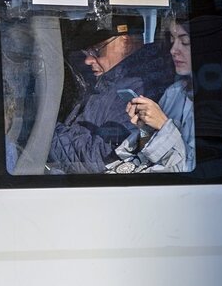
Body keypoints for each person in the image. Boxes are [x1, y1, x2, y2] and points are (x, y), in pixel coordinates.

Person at [48, 14, 175, 174]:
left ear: (126, 44)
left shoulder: (142, 90)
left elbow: (98, 159)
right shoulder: (108, 81)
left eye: (96, 50)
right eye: (85, 51)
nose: (88, 60)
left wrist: (45, 133)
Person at [109, 16, 195, 173]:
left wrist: (163, 126)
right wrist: (145, 128)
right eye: (172, 41)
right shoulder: (175, 92)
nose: (173, 50)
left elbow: (190, 170)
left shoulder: (220, 105)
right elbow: (151, 153)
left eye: (185, 42)